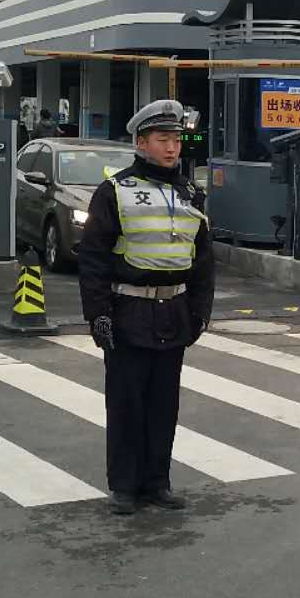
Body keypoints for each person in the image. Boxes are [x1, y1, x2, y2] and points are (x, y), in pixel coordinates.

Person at [76, 98, 213, 516]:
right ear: (141, 142)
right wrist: (98, 314)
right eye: (162, 139)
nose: (172, 148)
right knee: (126, 403)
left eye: (176, 140)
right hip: (128, 311)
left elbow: (203, 258)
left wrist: (200, 311)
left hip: (174, 312)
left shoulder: (191, 193)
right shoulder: (114, 191)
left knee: (163, 405)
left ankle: (157, 482)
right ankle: (124, 486)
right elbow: (93, 258)